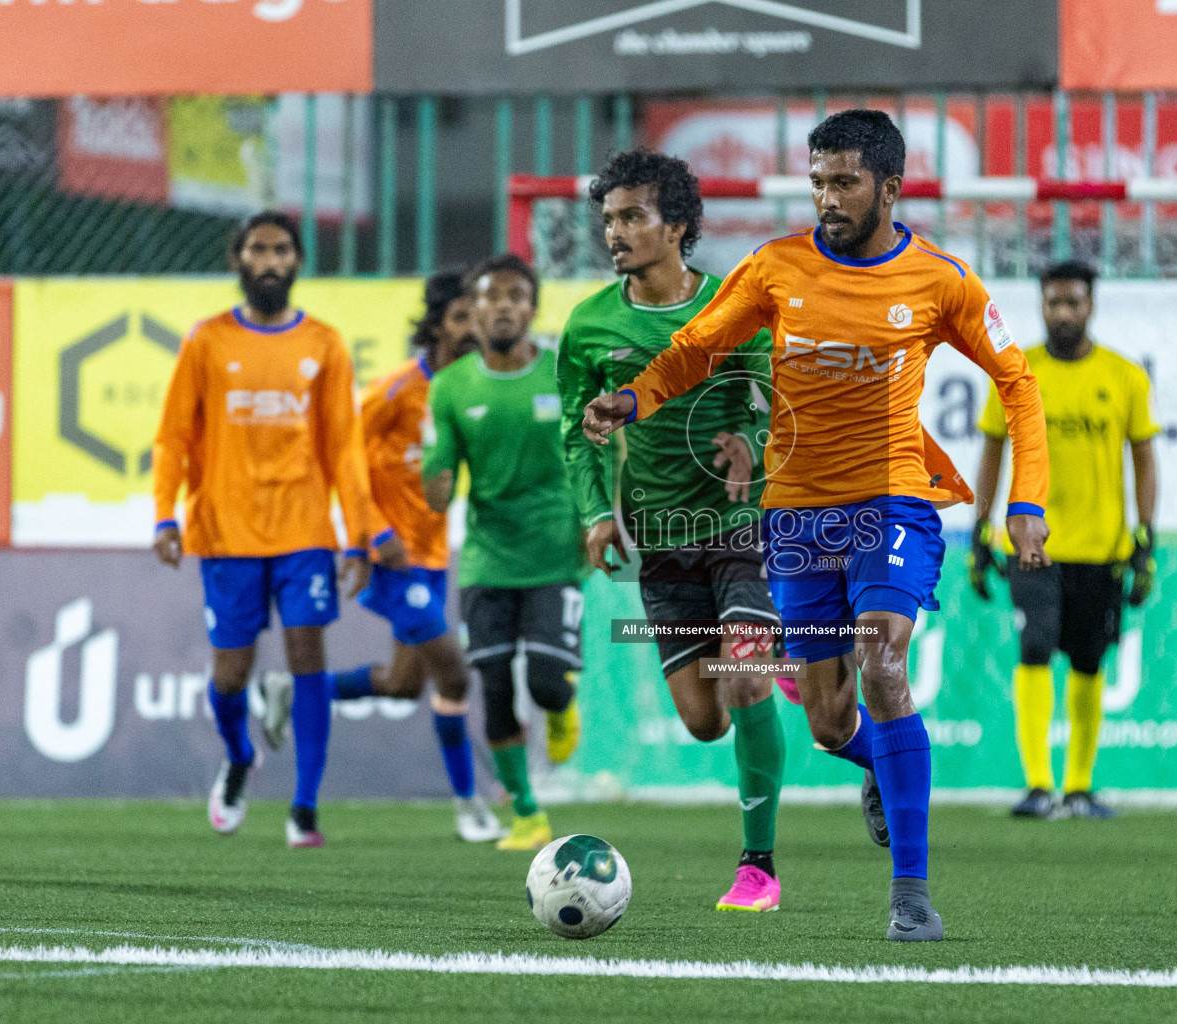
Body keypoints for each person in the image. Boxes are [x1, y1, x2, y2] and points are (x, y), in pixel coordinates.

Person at [582, 110, 1050, 941]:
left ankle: (911, 895)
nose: (827, 198)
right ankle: (881, 764)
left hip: (892, 502)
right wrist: (634, 396)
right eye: (818, 182)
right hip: (795, 516)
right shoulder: (776, 268)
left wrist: (1026, 502)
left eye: (844, 182)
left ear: (891, 188)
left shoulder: (943, 281)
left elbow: (1018, 384)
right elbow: (696, 349)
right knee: (832, 721)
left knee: (881, 659)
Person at [557, 149, 787, 913]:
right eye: (609, 219)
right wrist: (594, 515)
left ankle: (759, 869)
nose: (615, 232)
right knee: (703, 721)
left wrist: (749, 442)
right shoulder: (590, 326)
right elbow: (573, 430)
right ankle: (765, 666)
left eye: (632, 216)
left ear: (677, 225)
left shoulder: (736, 309)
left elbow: (769, 402)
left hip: (736, 525)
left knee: (745, 676)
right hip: (660, 538)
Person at [152, 210, 371, 848]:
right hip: (226, 533)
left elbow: (344, 450)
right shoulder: (207, 342)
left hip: (303, 533)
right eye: (258, 250)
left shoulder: (324, 345)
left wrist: (355, 534)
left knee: (308, 655)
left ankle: (304, 809)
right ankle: (239, 755)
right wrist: (165, 514)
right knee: (230, 674)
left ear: (297, 262)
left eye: (280, 250)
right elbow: (172, 438)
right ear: (239, 261)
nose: (269, 261)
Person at [259, 271, 504, 843]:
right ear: (438, 325)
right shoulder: (393, 391)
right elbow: (340, 460)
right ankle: (471, 805)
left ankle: (292, 689)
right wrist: (367, 537)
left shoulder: (469, 389)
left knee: (401, 683)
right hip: (392, 556)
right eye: (461, 318)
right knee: (455, 671)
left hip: (434, 554)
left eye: (477, 317)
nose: (472, 329)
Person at [971, 260, 1160, 821]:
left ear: (1091, 305)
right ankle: (1037, 784)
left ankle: (1079, 787)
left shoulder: (1124, 377)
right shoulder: (1017, 370)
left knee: (1087, 661)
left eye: (1074, 301)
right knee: (1034, 645)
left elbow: (1145, 461)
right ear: (1041, 305)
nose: (1064, 312)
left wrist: (1145, 539)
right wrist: (981, 530)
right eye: (1054, 302)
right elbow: (991, 450)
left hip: (1102, 547)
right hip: (1032, 543)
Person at [422, 254, 587, 853]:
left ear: (532, 308)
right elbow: (438, 490)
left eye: (516, 296)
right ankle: (525, 812)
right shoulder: (450, 387)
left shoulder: (564, 375)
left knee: (544, 684)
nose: (503, 307)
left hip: (555, 553)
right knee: (491, 684)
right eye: (490, 297)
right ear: (473, 313)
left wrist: (600, 523)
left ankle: (563, 706)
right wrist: (431, 476)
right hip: (488, 557)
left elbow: (601, 452)